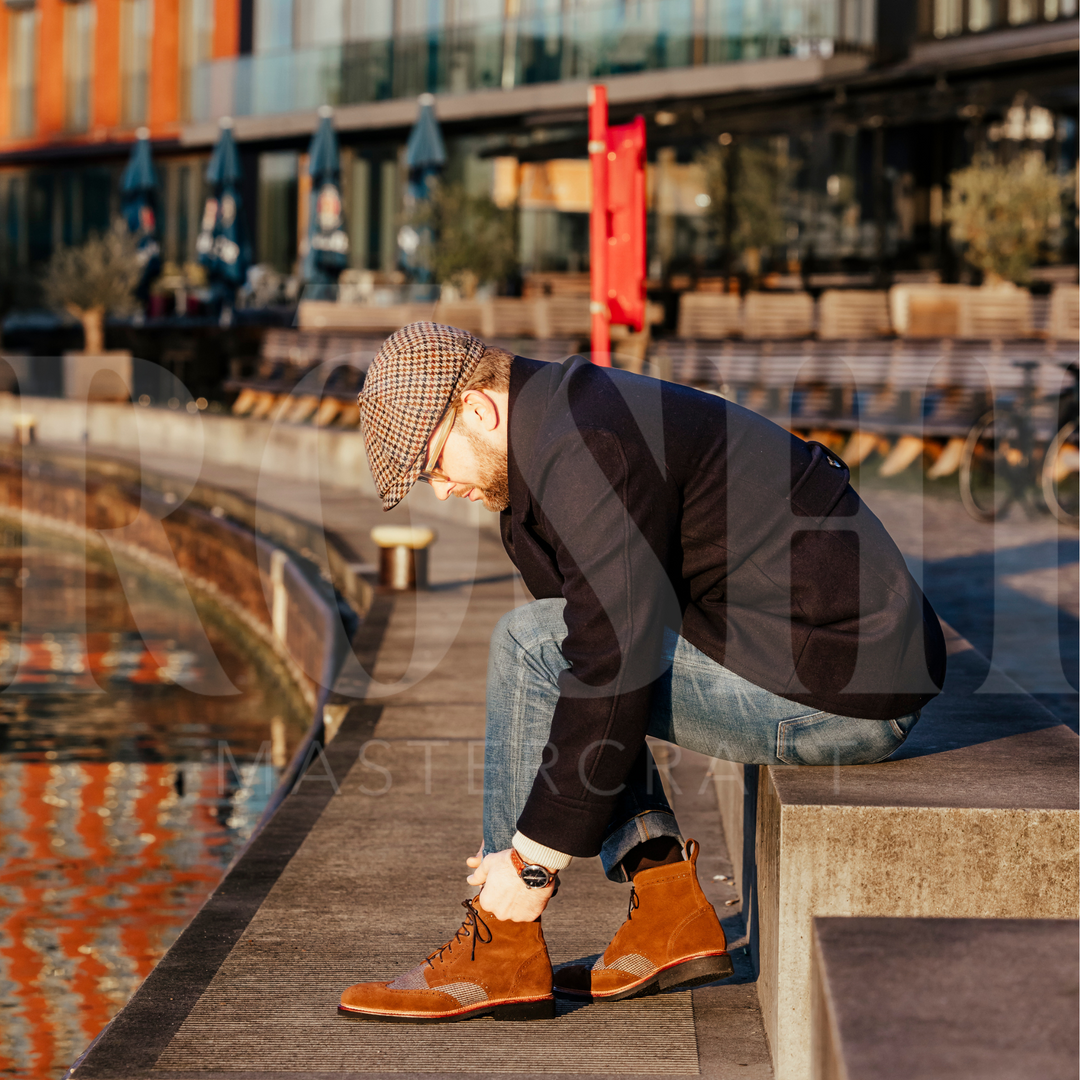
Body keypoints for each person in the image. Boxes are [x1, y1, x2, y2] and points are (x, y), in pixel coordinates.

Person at [339, 322, 946, 1022]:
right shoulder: (555, 437)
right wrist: (519, 819)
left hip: (847, 683)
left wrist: (528, 864)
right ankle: (666, 910)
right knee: (557, 650)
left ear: (479, 408)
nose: (441, 491)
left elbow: (608, 656)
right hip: (805, 649)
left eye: (436, 464)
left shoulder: (586, 444)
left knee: (532, 645)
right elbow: (597, 642)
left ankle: (501, 941)